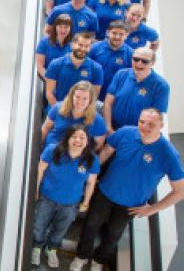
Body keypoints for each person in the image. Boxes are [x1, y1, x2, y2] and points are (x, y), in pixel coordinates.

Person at [70, 109, 184, 271]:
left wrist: (152, 209)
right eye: (142, 122)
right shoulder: (125, 133)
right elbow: (107, 151)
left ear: (161, 125)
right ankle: (81, 256)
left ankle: (99, 260)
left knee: (113, 235)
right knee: (91, 225)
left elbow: (180, 190)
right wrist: (91, 177)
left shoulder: (168, 154)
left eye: (151, 124)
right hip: (105, 192)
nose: (144, 127)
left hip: (130, 205)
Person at [31, 125, 99, 268]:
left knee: (61, 228)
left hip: (71, 203)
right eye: (74, 136)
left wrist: (86, 202)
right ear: (68, 138)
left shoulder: (91, 159)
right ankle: (36, 247)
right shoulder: (52, 150)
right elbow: (40, 170)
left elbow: (91, 183)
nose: (78, 140)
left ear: (87, 140)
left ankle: (51, 249)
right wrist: (35, 189)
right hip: (47, 198)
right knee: (39, 224)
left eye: (82, 137)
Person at [103, 46, 169, 132]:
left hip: (139, 133)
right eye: (136, 59)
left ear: (152, 63)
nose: (139, 64)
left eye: (144, 61)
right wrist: (108, 127)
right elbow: (108, 103)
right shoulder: (121, 75)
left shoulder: (161, 85)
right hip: (113, 128)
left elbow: (156, 116)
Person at [41, 80, 106, 149]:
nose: (80, 101)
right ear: (71, 96)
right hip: (52, 150)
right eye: (77, 97)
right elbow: (45, 128)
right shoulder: (57, 108)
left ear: (90, 101)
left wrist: (85, 155)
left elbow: (99, 143)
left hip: (77, 154)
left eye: (85, 99)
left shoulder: (97, 120)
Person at [44, 31, 103, 107]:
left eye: (87, 46)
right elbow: (49, 93)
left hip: (82, 111)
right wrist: (59, 112)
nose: (83, 49)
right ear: (72, 44)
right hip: (58, 107)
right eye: (80, 45)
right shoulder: (55, 64)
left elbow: (93, 97)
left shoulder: (97, 68)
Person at [89, 20, 133, 101]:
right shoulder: (94, 48)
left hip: (116, 97)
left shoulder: (131, 54)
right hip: (93, 95)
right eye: (114, 33)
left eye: (121, 34)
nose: (117, 37)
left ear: (126, 35)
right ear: (108, 32)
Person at [36, 14, 72, 81]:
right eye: (60, 26)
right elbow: (40, 66)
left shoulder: (73, 44)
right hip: (49, 79)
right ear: (55, 27)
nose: (63, 30)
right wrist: (50, 80)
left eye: (66, 27)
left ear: (70, 28)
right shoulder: (44, 42)